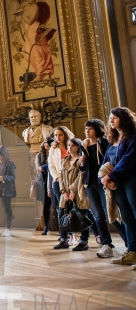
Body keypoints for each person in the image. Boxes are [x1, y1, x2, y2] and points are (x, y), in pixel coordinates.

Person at [80, 119, 126, 258]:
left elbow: (110, 161)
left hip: (103, 182)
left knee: (111, 214)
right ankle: (107, 245)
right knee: (98, 216)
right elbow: (83, 168)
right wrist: (82, 164)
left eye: (90, 129)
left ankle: (130, 244)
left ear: (97, 129)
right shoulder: (84, 145)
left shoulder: (105, 142)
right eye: (86, 129)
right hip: (90, 183)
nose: (87, 131)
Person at [101, 108, 136, 267]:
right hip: (118, 182)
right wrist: (103, 177)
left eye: (115, 118)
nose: (111, 121)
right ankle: (133, 251)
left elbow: (129, 159)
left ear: (124, 119)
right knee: (127, 217)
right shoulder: (114, 138)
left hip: (131, 179)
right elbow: (106, 160)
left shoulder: (133, 135)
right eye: (110, 118)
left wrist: (111, 176)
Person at [54, 138, 96, 250]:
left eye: (73, 145)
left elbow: (81, 176)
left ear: (78, 147)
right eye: (68, 145)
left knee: (82, 216)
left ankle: (84, 241)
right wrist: (63, 191)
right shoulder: (65, 160)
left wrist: (72, 190)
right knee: (61, 214)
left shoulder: (81, 160)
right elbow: (61, 176)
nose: (70, 147)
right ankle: (64, 240)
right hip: (66, 193)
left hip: (79, 192)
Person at [48, 126, 75, 238]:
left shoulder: (72, 146)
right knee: (61, 208)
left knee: (73, 207)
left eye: (60, 135)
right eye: (55, 135)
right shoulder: (53, 149)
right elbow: (51, 165)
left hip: (72, 180)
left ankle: (73, 232)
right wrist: (57, 177)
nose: (57, 137)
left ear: (65, 135)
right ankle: (65, 234)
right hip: (58, 181)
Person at [36, 137, 54, 234]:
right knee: (46, 205)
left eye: (48, 142)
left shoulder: (55, 153)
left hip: (54, 179)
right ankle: (46, 227)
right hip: (43, 181)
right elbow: (38, 168)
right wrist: (46, 167)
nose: (46, 144)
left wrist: (44, 167)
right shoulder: (40, 155)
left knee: (58, 205)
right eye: (45, 142)